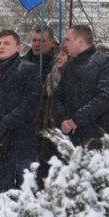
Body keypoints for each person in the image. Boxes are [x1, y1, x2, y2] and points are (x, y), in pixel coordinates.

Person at [0, 30, 41, 194]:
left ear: (18, 47)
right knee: (3, 194)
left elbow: (31, 102)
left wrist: (6, 122)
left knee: (27, 194)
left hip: (22, 142)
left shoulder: (29, 71)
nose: (1, 47)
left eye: (6, 43)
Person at [52, 25, 109, 148]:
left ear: (80, 41)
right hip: (69, 136)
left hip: (97, 134)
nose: (64, 44)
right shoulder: (68, 66)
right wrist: (63, 119)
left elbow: (105, 97)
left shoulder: (105, 62)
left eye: (68, 40)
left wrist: (76, 120)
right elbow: (58, 96)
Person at [34, 42, 69, 187]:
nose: (58, 57)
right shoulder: (50, 78)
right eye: (59, 53)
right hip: (48, 138)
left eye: (63, 54)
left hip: (67, 137)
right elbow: (42, 109)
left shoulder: (75, 79)